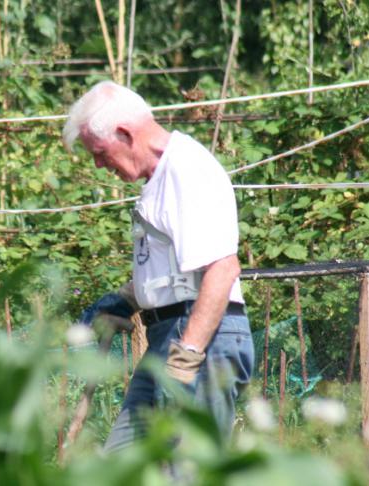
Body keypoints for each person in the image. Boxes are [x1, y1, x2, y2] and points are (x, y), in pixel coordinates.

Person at [63, 81, 254, 451]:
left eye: (100, 152)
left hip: (202, 340)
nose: (99, 164)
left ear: (125, 133)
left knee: (187, 471)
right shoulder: (160, 179)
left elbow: (222, 269)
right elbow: (177, 271)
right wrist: (124, 301)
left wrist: (185, 362)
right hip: (169, 336)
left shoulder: (187, 170)